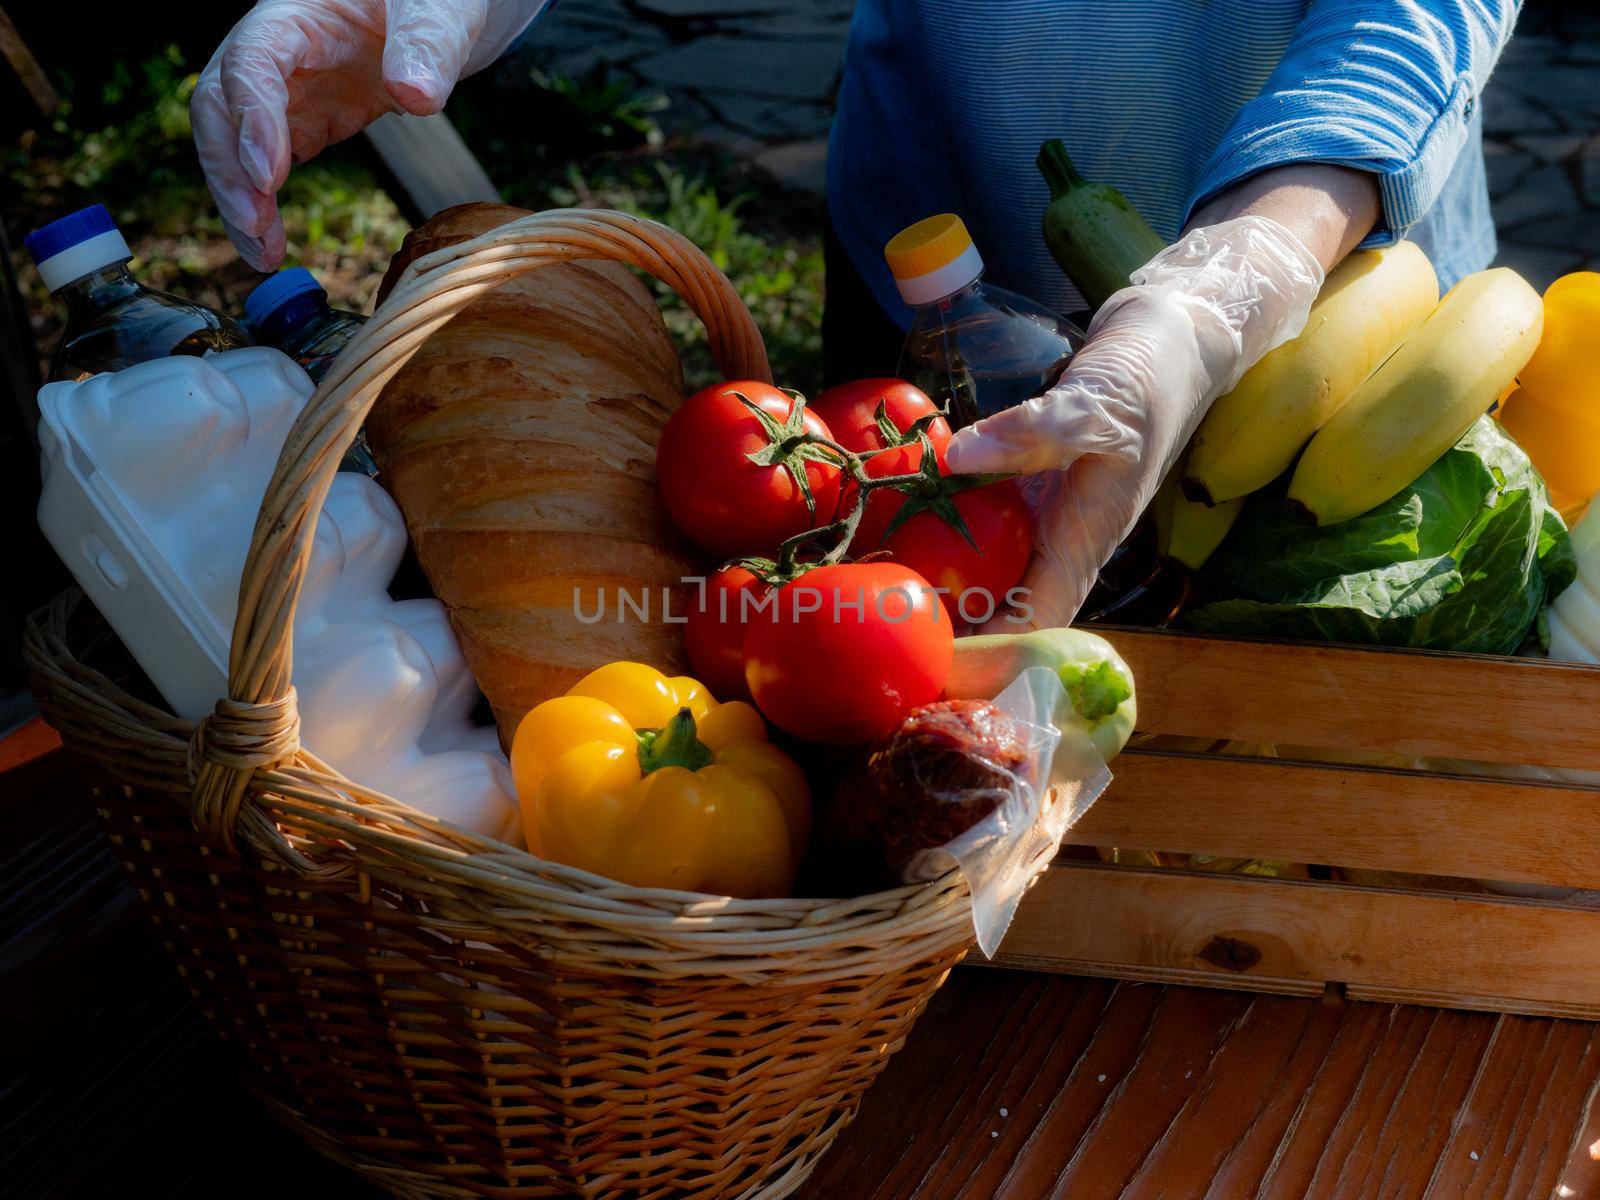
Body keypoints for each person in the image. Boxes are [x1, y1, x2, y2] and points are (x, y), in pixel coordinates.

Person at [192, 0, 1519, 627]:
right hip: (940, 251)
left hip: (1318, 288)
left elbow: (1408, 21)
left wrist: (1217, 291)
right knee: (885, 685)